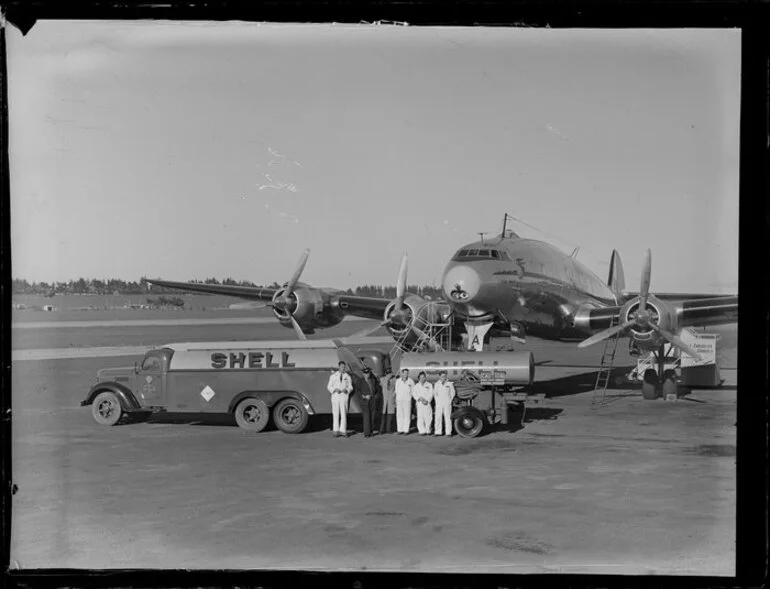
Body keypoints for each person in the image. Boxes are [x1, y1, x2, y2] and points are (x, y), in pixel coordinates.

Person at [327, 361, 353, 437]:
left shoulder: (347, 376)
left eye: (344, 367)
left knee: (344, 414)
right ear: (339, 367)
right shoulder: (333, 376)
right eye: (341, 366)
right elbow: (329, 386)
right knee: (335, 413)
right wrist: (335, 389)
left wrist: (347, 390)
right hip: (336, 396)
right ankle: (336, 430)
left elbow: (351, 387)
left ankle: (343, 430)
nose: (343, 368)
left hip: (344, 396)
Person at [433, 370, 456, 436]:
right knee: (438, 418)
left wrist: (449, 400)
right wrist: (437, 401)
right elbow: (435, 394)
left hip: (447, 403)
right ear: (439, 376)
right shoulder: (437, 384)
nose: (444, 377)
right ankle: (438, 432)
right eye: (442, 376)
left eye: (445, 376)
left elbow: (452, 392)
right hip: (439, 403)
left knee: (448, 418)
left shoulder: (449, 384)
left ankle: (448, 432)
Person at [360, 365, 380, 437]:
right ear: (363, 374)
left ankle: (371, 431)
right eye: (365, 373)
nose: (367, 375)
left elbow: (378, 390)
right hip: (365, 401)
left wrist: (376, 397)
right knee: (366, 417)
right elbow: (358, 391)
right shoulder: (360, 381)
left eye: (368, 373)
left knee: (372, 417)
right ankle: (366, 433)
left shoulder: (373, 380)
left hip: (373, 401)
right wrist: (363, 396)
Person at [412, 371, 434, 435]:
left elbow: (431, 394)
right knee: (420, 417)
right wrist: (419, 398)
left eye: (423, 377)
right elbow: (414, 394)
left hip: (427, 403)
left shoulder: (429, 385)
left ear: (425, 378)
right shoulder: (416, 386)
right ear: (419, 378)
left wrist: (427, 400)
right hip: (419, 403)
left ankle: (428, 430)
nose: (422, 379)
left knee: (428, 417)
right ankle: (422, 431)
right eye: (421, 377)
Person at [394, 368, 415, 435]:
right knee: (399, 415)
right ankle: (400, 430)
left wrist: (409, 398)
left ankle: (406, 430)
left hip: (407, 401)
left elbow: (413, 391)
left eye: (407, 373)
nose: (406, 374)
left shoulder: (411, 381)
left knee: (407, 415)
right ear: (402, 373)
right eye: (404, 373)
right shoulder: (398, 381)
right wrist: (397, 399)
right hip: (399, 400)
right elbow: (396, 391)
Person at [379, 370, 396, 434]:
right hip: (384, 400)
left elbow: (396, 388)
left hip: (391, 400)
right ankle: (381, 430)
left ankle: (388, 430)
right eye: (388, 374)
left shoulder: (394, 380)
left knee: (390, 416)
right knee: (383, 417)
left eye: (390, 374)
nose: (389, 375)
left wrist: (394, 394)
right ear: (386, 374)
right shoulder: (382, 379)